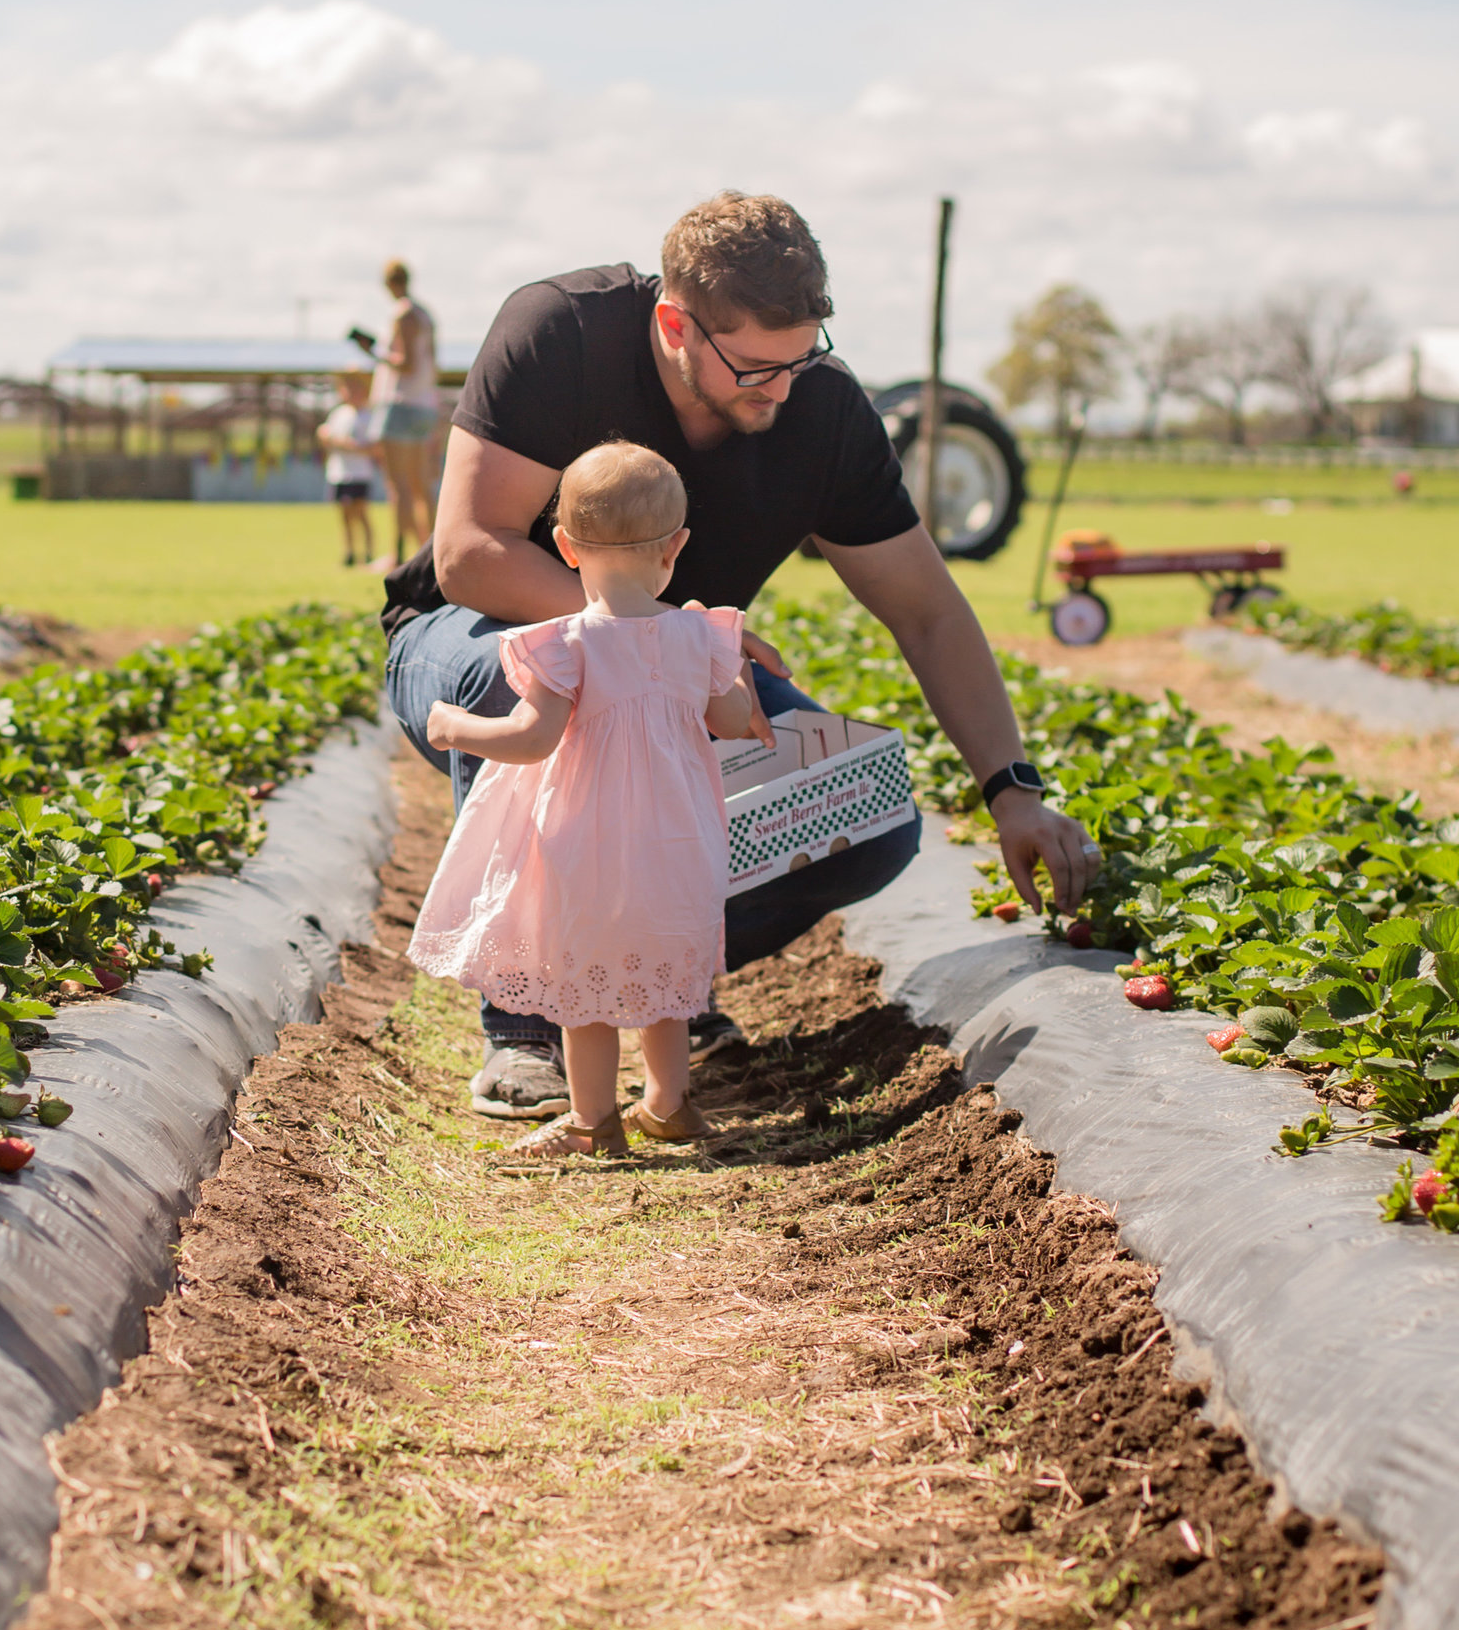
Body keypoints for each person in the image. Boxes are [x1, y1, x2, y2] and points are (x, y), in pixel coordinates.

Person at [384, 191, 1100, 1118]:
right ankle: (528, 1022)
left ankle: (657, 982)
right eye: (758, 366)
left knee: (872, 818)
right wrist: (659, 636)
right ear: (675, 324)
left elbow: (926, 611)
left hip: (674, 667)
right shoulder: (559, 334)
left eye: (805, 357)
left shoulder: (822, 414)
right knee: (546, 671)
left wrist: (1013, 790)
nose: (785, 388)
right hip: (464, 639)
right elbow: (471, 553)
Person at [410, 441, 768, 1163]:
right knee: (661, 976)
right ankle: (668, 1104)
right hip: (677, 842)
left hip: (587, 842)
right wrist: (729, 668)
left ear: (566, 548)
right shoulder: (698, 634)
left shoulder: (567, 644)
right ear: (678, 546)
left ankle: (592, 1120)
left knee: (588, 987)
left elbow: (531, 738)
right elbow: (733, 722)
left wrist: (454, 726)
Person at [373, 256, 441, 559]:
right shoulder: (426, 315)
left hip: (401, 404)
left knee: (398, 485)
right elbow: (430, 363)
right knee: (421, 485)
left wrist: (375, 352)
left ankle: (397, 555)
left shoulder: (402, 315)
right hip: (424, 404)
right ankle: (432, 554)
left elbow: (406, 363)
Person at [316, 365, 385, 567]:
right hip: (339, 473)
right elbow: (327, 436)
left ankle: (369, 551)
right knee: (344, 515)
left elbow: (374, 447)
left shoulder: (368, 415)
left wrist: (349, 446)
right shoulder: (339, 414)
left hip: (360, 473)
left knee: (361, 513)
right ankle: (349, 551)